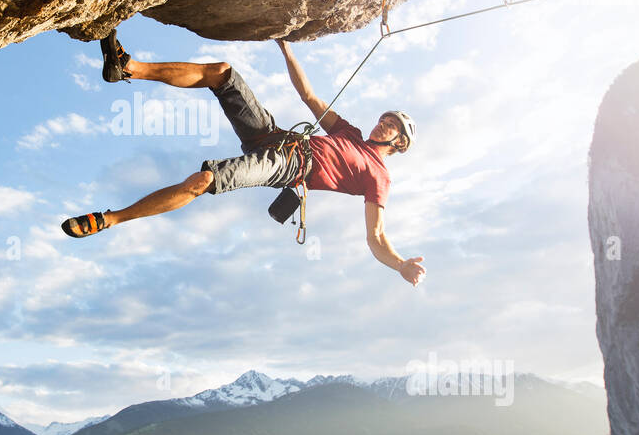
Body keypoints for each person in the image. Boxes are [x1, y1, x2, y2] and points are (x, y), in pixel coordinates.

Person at [60, 29, 426, 287]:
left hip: (288, 165)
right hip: (277, 135)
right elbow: (310, 97)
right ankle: (127, 67)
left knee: (202, 181)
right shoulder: (350, 134)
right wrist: (288, 51)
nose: (383, 124)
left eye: (391, 125)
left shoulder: (379, 176)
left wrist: (399, 265)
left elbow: (375, 236)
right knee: (222, 73)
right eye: (384, 118)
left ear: (401, 144)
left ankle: (109, 219)